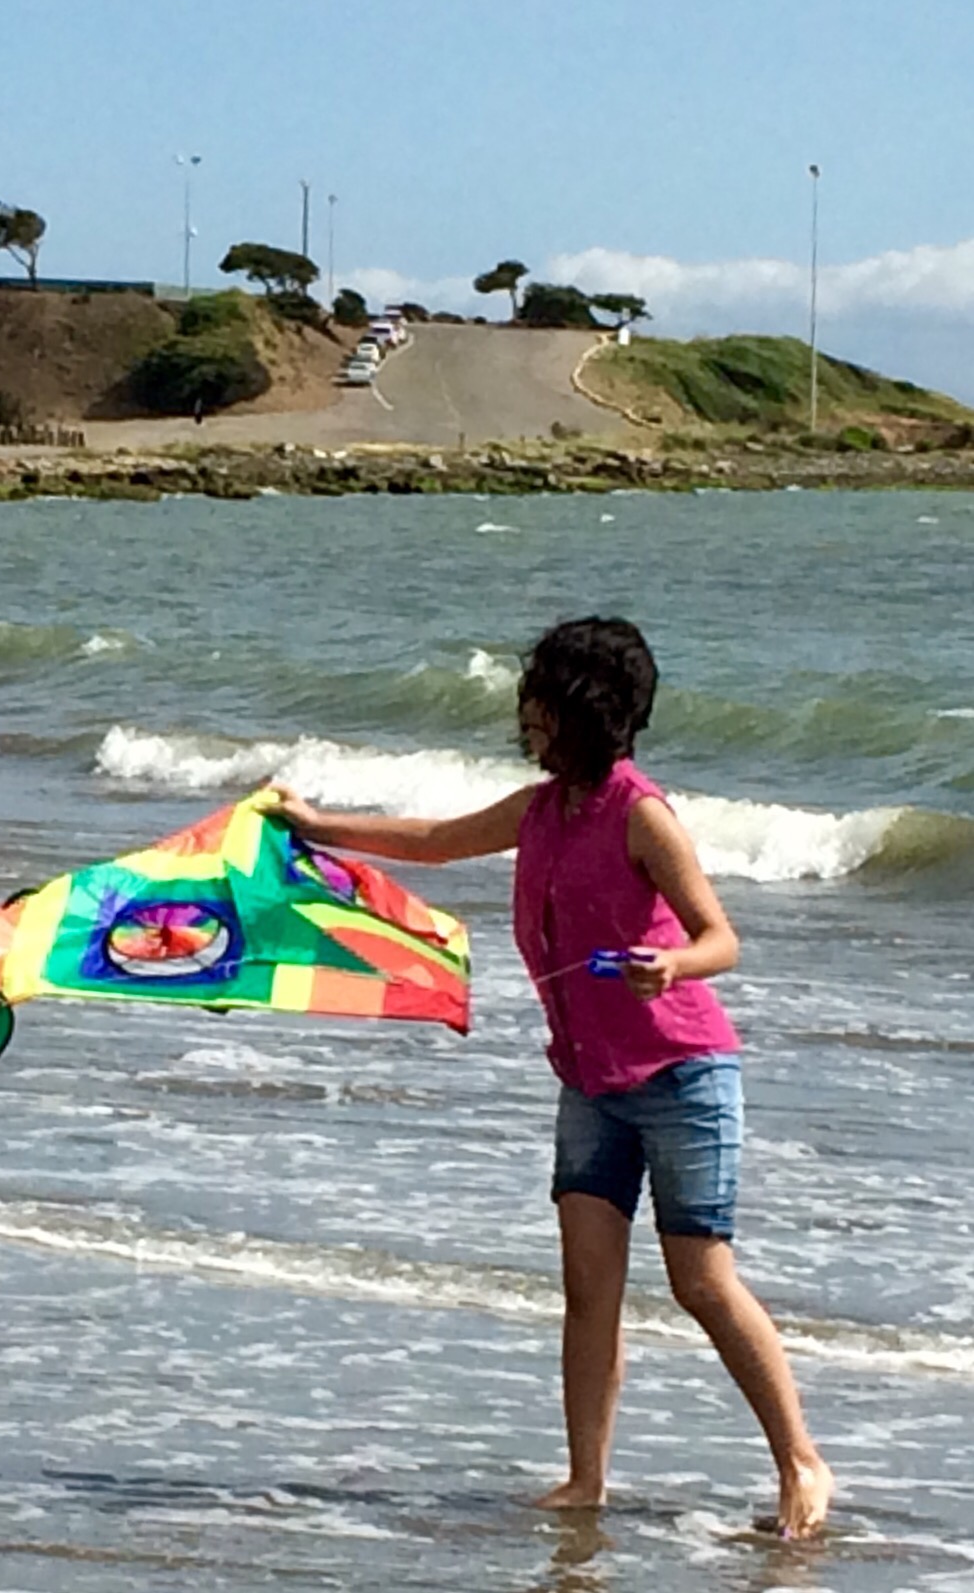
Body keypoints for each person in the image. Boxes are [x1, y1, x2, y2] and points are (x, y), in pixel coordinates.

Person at [263, 616, 832, 1538]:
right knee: (588, 1286)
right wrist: (319, 825)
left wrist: (671, 966)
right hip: (590, 1083)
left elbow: (719, 937)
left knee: (700, 1280)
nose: (526, 716)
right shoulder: (539, 809)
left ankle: (800, 1460)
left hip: (682, 1075)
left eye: (541, 701)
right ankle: (585, 1479)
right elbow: (435, 838)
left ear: (588, 711)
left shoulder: (642, 814)